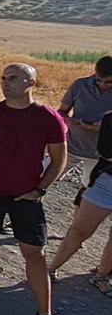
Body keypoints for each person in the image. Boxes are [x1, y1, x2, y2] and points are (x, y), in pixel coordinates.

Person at [0, 64, 69, 315]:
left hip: (25, 196)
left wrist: (39, 190)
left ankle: (45, 313)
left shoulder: (49, 118)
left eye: (13, 78)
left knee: (34, 253)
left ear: (32, 82)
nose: (6, 83)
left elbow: (59, 159)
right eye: (3, 77)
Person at [49, 111, 112, 296]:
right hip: (106, 182)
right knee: (79, 231)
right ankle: (49, 270)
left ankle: (102, 275)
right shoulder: (109, 118)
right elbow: (106, 153)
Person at [57, 55, 112, 189]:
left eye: (109, 82)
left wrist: (104, 128)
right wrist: (68, 121)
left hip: (100, 154)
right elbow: (61, 112)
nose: (102, 84)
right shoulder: (79, 85)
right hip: (70, 147)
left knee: (89, 192)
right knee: (42, 180)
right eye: (99, 80)